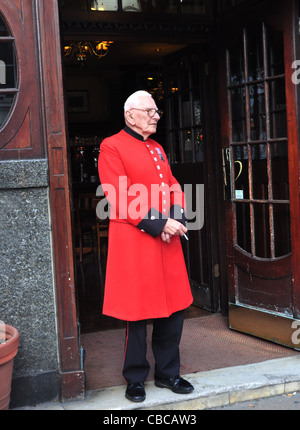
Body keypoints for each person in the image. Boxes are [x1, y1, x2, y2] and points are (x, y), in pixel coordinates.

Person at [98, 90, 194, 402]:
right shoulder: (111, 146)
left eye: (156, 112)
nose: (156, 116)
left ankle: (168, 374)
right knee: (136, 313)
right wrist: (158, 223)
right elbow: (119, 194)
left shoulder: (157, 147)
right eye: (150, 111)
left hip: (166, 241)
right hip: (135, 241)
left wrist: (176, 216)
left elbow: (172, 185)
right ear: (130, 115)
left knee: (173, 309)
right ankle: (135, 378)